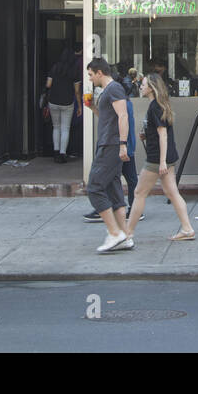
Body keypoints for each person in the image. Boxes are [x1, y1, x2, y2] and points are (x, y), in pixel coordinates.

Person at [125, 75, 196, 242]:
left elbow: (162, 134)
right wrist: (147, 135)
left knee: (139, 192)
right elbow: (160, 132)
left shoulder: (155, 107)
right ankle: (187, 229)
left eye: (143, 85)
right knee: (172, 192)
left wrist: (162, 161)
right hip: (166, 156)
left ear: (151, 87)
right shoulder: (159, 105)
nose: (140, 87)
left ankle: (127, 234)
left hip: (157, 159)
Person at [82, 58, 134, 253]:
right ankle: (126, 235)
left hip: (110, 145)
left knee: (94, 186)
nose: (90, 78)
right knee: (114, 190)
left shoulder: (114, 89)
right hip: (109, 143)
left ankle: (114, 233)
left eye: (90, 74)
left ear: (99, 73)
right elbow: (108, 118)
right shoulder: (109, 91)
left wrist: (122, 144)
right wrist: (93, 108)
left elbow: (123, 116)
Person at [44, 44, 81, 164]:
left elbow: (48, 85)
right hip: (67, 102)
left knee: (56, 127)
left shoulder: (55, 68)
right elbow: (76, 91)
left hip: (53, 101)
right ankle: (63, 154)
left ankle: (55, 152)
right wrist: (79, 106)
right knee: (65, 128)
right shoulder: (74, 70)